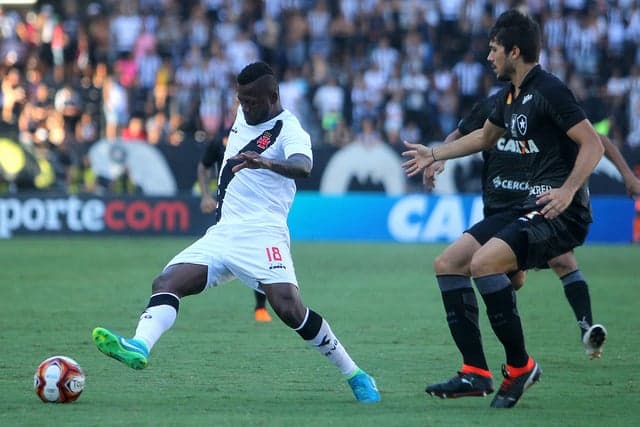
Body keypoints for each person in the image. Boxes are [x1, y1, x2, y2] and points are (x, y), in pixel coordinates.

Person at [92, 61, 380, 403]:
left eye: (252, 101)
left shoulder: (290, 130)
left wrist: (267, 163)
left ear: (273, 96)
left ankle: (357, 375)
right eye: (241, 100)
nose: (245, 107)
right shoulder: (243, 116)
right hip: (223, 232)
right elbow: (213, 153)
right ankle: (139, 346)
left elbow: (304, 167)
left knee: (289, 309)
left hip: (263, 233)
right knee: (166, 282)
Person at [402, 10, 604, 408]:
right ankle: (474, 372)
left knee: (483, 264)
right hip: (527, 206)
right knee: (448, 263)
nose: (488, 57)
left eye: (494, 49)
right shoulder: (512, 95)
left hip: (561, 210)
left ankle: (520, 367)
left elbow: (593, 145)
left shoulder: (549, 89)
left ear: (515, 51)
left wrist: (566, 191)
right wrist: (435, 153)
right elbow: (484, 136)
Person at [423, 93, 640, 361]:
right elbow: (459, 133)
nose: (491, 58)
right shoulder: (494, 105)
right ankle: (504, 340)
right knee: (511, 279)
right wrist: (440, 158)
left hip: (532, 204)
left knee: (563, 259)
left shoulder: (543, 102)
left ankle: (586, 328)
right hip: (498, 208)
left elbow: (598, 140)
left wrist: (628, 176)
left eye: (495, 50)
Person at [197, 123, 273, 323]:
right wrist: (205, 195)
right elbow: (203, 166)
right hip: (229, 207)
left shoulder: (266, 135)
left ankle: (261, 307)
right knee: (229, 249)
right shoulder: (223, 136)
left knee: (259, 253)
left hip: (257, 206)